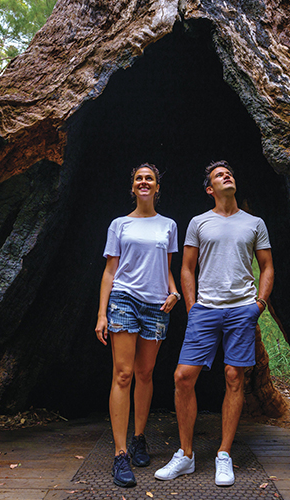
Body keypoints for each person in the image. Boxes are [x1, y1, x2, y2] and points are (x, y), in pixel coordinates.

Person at [154, 160, 274, 487]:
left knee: (234, 376)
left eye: (229, 173)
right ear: (210, 189)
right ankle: (187, 455)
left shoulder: (254, 223)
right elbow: (187, 268)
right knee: (183, 377)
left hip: (242, 310)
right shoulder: (198, 223)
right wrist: (193, 308)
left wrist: (259, 304)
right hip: (205, 310)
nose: (227, 176)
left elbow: (267, 267)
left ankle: (224, 454)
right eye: (219, 175)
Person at [96, 163, 181, 488]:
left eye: (150, 178)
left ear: (157, 187)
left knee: (145, 373)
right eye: (139, 178)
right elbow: (109, 271)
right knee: (123, 373)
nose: (144, 182)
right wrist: (102, 314)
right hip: (124, 300)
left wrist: (174, 292)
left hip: (157, 304)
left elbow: (166, 268)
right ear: (132, 187)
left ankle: (139, 438)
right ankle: (120, 455)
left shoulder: (169, 225)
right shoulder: (119, 224)